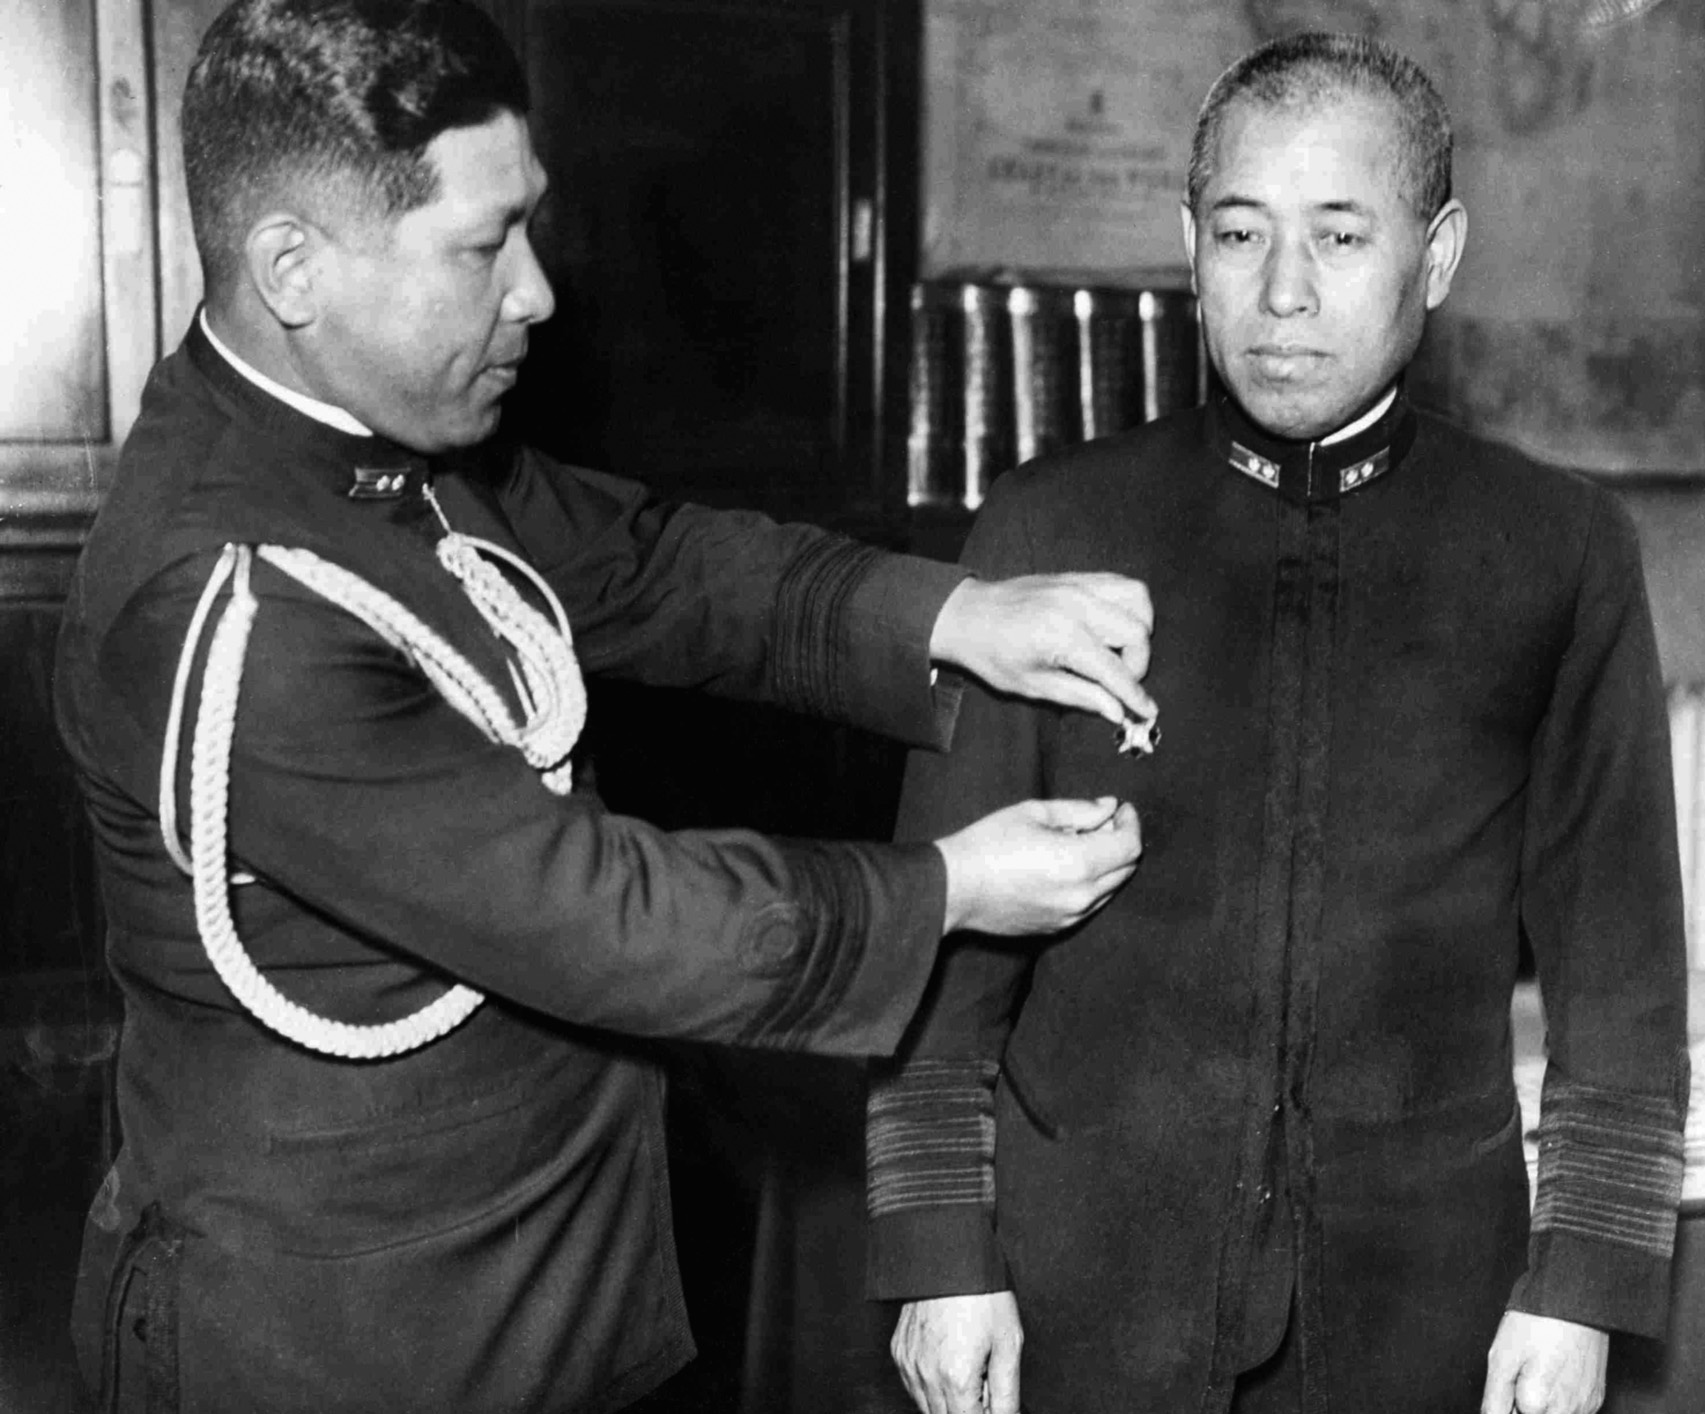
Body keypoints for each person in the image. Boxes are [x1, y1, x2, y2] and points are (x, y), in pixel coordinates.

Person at [52, 2, 1159, 1410]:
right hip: (339, 1343)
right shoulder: (231, 603)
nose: (537, 292)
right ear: (292, 268)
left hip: (538, 1290)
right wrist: (948, 887)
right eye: (480, 246)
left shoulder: (386, 442)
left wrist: (958, 612)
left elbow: (653, 565)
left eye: (530, 226)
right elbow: (606, 915)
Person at [865, 32, 1689, 1414]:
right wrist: (942, 1252)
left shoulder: (1559, 552)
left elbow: (1620, 973)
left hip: (1430, 1314)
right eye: (1241, 233)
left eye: (1342, 235)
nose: (1284, 292)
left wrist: (1583, 1286)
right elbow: (941, 951)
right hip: (1083, 1301)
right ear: (1188, 244)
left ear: (1436, 257)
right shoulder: (1046, 529)